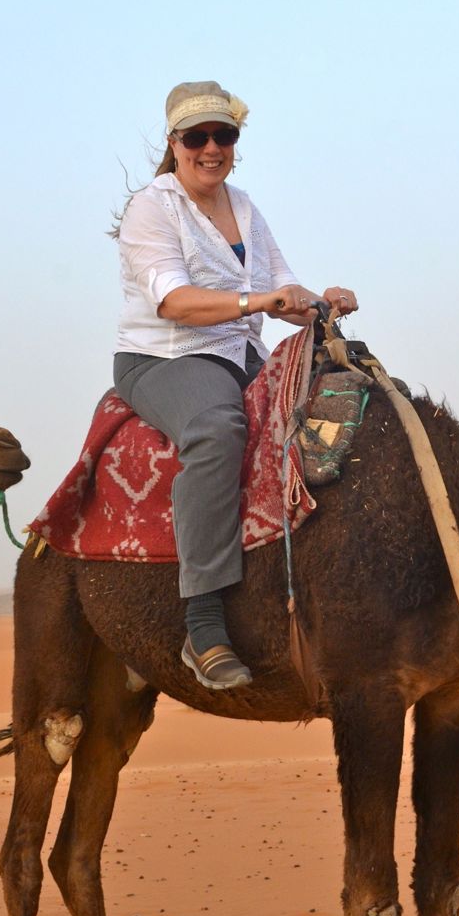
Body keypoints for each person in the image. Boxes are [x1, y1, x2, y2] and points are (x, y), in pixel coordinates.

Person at [113, 80, 358, 690]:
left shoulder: (244, 207)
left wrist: (319, 302)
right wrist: (262, 299)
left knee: (335, 408)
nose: (211, 148)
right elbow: (172, 300)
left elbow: (284, 292)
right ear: (175, 144)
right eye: (197, 137)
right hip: (167, 357)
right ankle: (202, 621)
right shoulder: (153, 207)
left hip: (240, 354)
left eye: (224, 135)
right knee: (218, 429)